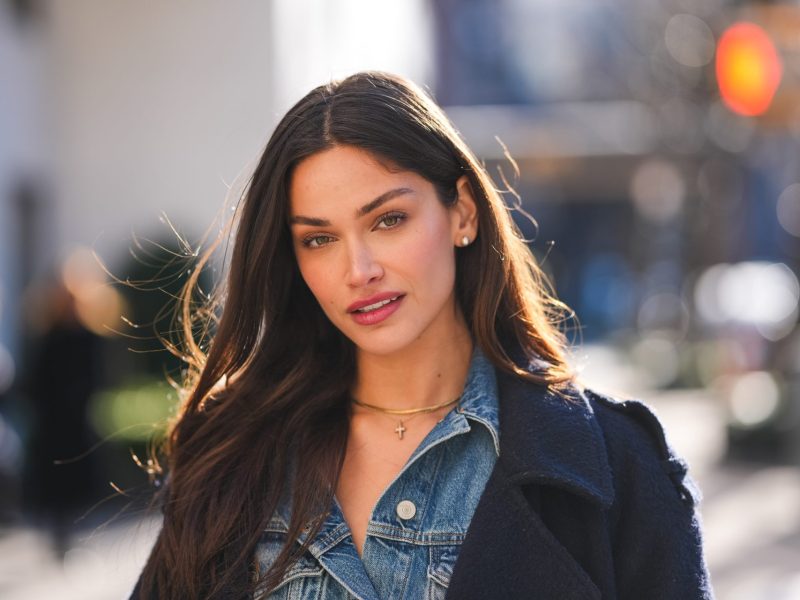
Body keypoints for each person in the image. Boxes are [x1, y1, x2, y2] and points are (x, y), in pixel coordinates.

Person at [131, 71, 714, 599]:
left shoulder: (614, 464)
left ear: (462, 212)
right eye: (319, 239)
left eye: (388, 220)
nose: (358, 271)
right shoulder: (236, 455)